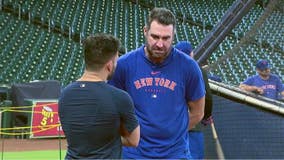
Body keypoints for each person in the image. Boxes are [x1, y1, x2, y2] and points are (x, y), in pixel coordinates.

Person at [108, 7, 205, 159]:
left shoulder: (189, 67)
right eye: (155, 37)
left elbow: (198, 112)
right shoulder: (124, 65)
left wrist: (173, 133)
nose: (160, 44)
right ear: (145, 31)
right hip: (134, 154)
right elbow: (112, 109)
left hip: (175, 154)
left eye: (166, 38)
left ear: (173, 36)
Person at [58, 33, 140, 159]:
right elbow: (133, 140)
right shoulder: (119, 97)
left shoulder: (65, 94)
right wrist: (111, 138)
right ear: (109, 65)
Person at [176, 41, 213, 159]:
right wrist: (206, 115)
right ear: (191, 54)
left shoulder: (167, 69)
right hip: (193, 122)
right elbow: (207, 97)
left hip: (172, 124)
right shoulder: (198, 70)